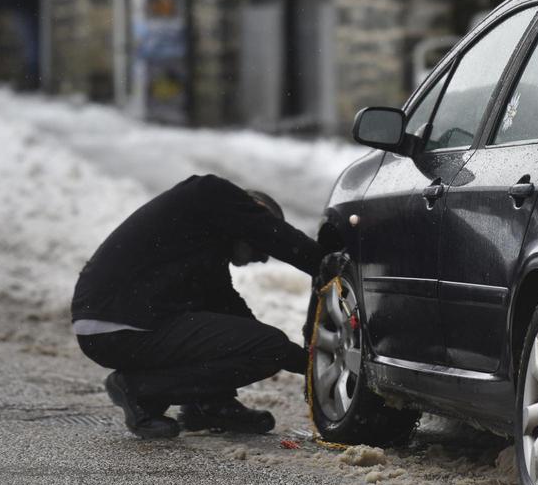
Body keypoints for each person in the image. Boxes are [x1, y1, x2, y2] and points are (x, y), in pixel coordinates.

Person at [71, 174, 346, 439]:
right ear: (252, 216)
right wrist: (328, 266)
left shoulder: (199, 246)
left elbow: (237, 322)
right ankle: (140, 390)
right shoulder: (211, 193)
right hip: (122, 323)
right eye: (263, 250)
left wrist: (309, 364)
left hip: (111, 326)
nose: (263, 259)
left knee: (253, 342)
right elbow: (275, 235)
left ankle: (209, 406)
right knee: (268, 349)